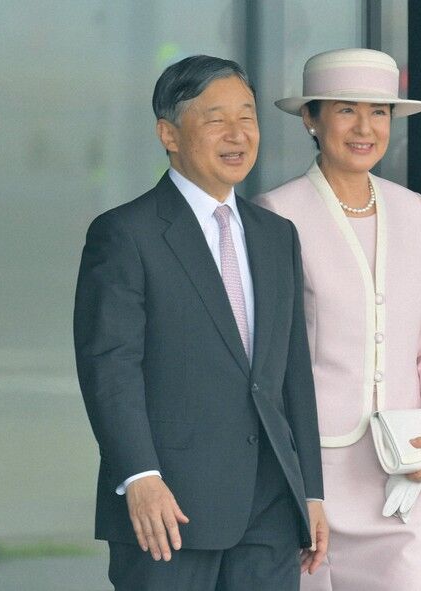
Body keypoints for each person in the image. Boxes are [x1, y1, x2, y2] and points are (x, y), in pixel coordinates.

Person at [74, 55, 328, 590]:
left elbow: (292, 374)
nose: (238, 134)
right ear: (168, 134)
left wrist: (310, 491)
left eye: (247, 117)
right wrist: (139, 476)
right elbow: (110, 368)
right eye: (216, 119)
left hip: (270, 508)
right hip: (168, 508)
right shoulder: (125, 233)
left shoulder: (276, 235)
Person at [257, 48, 421, 591]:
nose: (364, 128)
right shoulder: (276, 212)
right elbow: (267, 356)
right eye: (345, 110)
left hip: (407, 468)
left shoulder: (413, 209)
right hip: (316, 475)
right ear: (310, 118)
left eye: (379, 112)